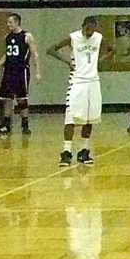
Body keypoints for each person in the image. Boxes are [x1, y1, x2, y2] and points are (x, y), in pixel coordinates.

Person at [47, 15, 114, 166]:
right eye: (88, 29)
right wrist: (67, 61)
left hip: (93, 81)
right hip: (77, 82)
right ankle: (66, 152)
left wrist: (99, 62)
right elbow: (51, 49)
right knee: (71, 117)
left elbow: (112, 49)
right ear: (83, 26)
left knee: (90, 118)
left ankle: (84, 150)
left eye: (93, 29)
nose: (90, 32)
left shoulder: (98, 38)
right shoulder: (73, 38)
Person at [0, 12, 39, 134]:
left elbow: (34, 54)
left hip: (21, 71)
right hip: (9, 70)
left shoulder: (27, 36)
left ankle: (25, 124)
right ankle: (5, 125)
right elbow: (7, 54)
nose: (8, 24)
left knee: (22, 99)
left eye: (10, 22)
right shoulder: (8, 37)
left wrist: (38, 72)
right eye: (7, 22)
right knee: (7, 98)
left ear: (17, 22)